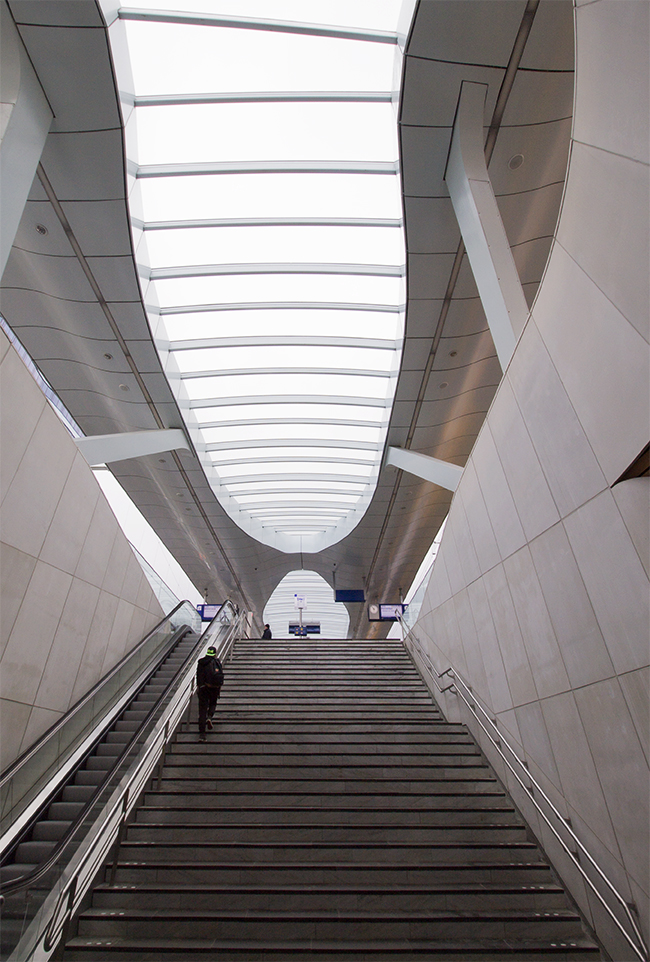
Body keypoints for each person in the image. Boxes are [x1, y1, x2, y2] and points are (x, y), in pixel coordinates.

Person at [196, 645, 224, 741]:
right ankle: (210, 717)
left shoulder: (201, 662)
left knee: (202, 709)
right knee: (213, 703)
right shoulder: (217, 662)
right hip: (214, 688)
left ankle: (202, 734)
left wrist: (199, 686)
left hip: (204, 688)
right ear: (215, 653)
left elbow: (198, 676)